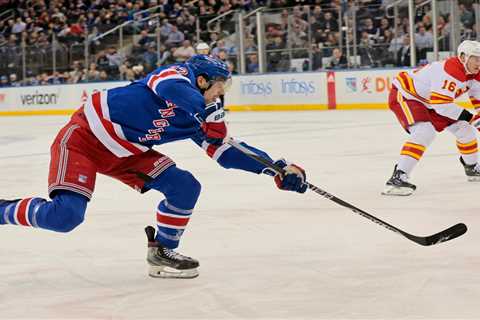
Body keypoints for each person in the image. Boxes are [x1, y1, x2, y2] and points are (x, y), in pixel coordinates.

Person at [0, 55, 307, 279]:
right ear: (201, 80)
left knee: (185, 187)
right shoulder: (177, 76)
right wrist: (209, 112)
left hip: (127, 152)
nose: (220, 96)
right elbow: (175, 90)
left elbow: (225, 151)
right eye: (218, 89)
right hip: (84, 139)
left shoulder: (198, 114)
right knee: (65, 217)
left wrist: (277, 169)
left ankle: (161, 251)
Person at [383, 40, 480, 196]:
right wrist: (473, 118)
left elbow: (478, 102)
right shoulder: (451, 69)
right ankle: (398, 177)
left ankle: (472, 167)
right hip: (407, 95)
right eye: (476, 58)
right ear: (463, 57)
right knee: (424, 132)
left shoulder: (476, 75)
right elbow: (441, 105)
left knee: (464, 129)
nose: (479, 62)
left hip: (431, 102)